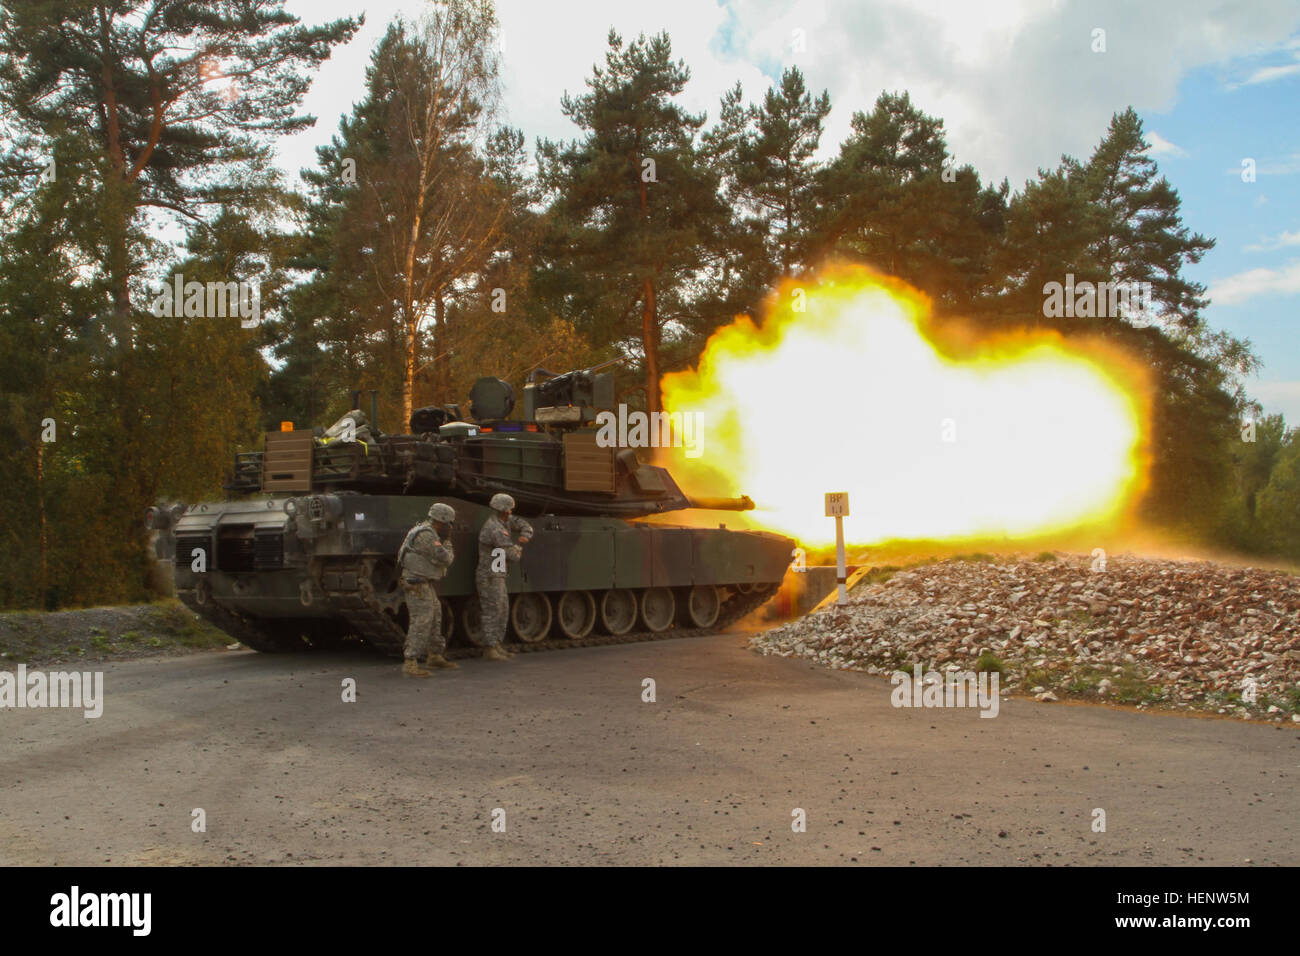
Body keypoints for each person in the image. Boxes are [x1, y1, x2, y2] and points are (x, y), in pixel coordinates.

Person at [397, 502, 458, 676]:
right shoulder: (427, 535)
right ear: (442, 520)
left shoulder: (425, 530)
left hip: (423, 582)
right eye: (449, 523)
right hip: (416, 583)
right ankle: (410, 661)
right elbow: (446, 559)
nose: (450, 526)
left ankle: (434, 655)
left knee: (435, 616)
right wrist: (447, 542)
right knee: (422, 620)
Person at [476, 493, 533, 661]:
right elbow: (513, 555)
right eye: (509, 510)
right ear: (503, 510)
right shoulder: (495, 528)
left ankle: (496, 644)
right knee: (492, 611)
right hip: (489, 575)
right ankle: (489, 648)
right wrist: (520, 544)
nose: (511, 513)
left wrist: (525, 534)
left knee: (502, 610)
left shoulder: (504, 522)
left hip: (498, 573)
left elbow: (525, 525)